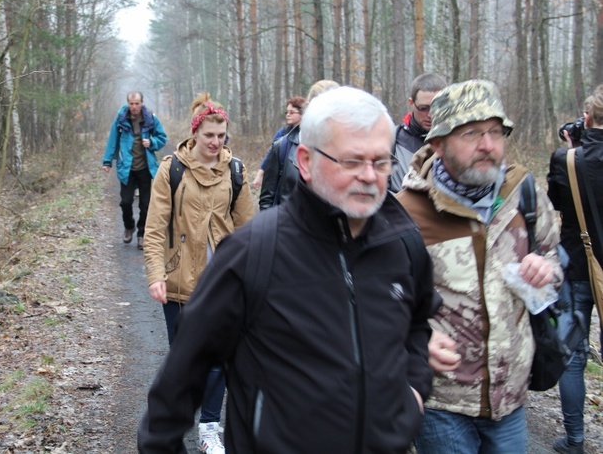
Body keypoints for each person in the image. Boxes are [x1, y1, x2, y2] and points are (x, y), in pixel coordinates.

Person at [138, 86, 438, 453]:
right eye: (351, 161)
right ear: (306, 161)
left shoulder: (403, 242)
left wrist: (413, 391)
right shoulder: (252, 254)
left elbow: (419, 325)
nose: (369, 176)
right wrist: (158, 272)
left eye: (380, 162)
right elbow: (175, 390)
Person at [397, 79, 563, 453]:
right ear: (437, 144)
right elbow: (380, 302)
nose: (488, 145)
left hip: (512, 398)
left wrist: (547, 269)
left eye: (494, 132)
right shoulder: (406, 212)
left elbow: (555, 256)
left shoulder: (524, 193)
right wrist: (417, 339)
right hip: (443, 402)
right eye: (471, 133)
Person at [143, 93, 254, 453]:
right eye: (209, 135)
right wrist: (156, 274)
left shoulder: (235, 171)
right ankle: (173, 427)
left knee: (220, 358)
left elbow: (250, 231)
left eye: (221, 135)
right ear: (195, 133)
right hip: (179, 282)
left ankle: (209, 426)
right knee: (186, 360)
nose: (215, 142)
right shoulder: (171, 169)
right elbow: (155, 228)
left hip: (222, 282)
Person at [546, 85, 603, 454]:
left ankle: (576, 439)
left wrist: (569, 149)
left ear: (586, 118)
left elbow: (555, 200)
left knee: (575, 356)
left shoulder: (567, 159)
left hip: (579, 264)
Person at [258, 80, 339, 209]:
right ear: (308, 106)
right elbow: (267, 200)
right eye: (322, 107)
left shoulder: (346, 152)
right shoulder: (283, 147)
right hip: (288, 227)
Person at [102, 91, 167, 249]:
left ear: (142, 103)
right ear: (128, 103)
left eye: (137, 103)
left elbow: (162, 137)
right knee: (126, 202)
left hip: (145, 168)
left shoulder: (150, 118)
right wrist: (107, 161)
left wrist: (151, 142)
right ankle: (129, 226)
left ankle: (142, 234)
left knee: (145, 204)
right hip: (127, 168)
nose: (134, 106)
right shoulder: (121, 119)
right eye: (131, 103)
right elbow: (113, 139)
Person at [389, 73, 447, 193]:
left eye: (437, 107)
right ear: (411, 103)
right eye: (423, 108)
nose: (430, 115)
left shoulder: (456, 142)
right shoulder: (392, 140)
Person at [250, 95, 306, 190]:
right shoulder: (282, 134)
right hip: (283, 181)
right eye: (287, 112)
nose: (288, 115)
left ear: (301, 114)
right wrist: (259, 175)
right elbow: (270, 155)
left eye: (292, 112)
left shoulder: (308, 135)